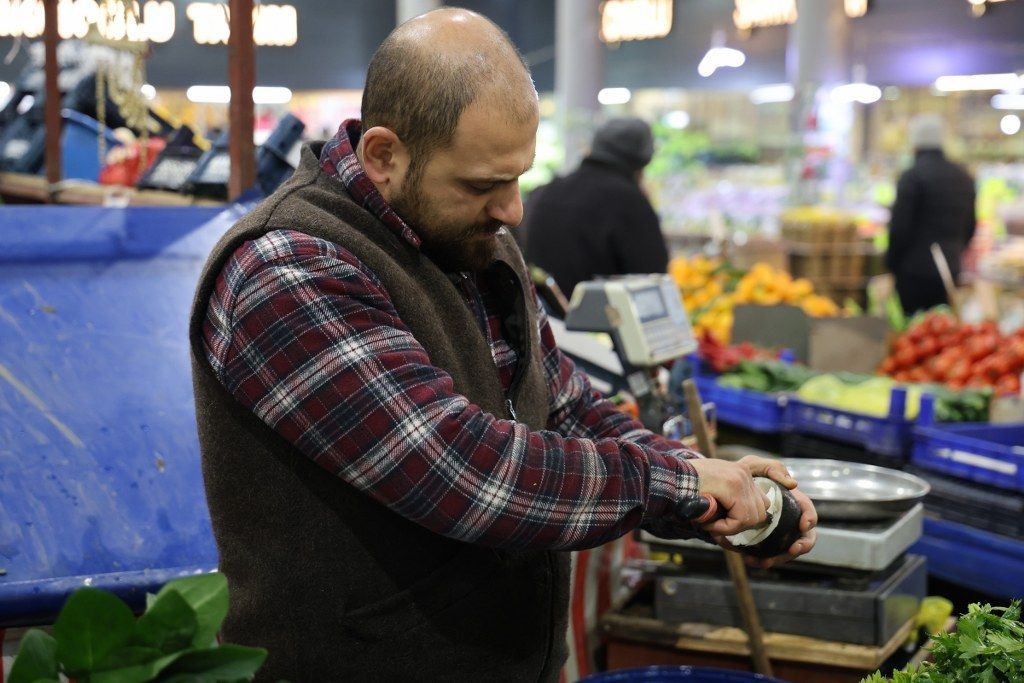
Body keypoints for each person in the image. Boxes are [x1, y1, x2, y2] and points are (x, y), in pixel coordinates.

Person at [188, 9, 816, 681]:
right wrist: (674, 482)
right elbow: (463, 473)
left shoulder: (471, 238)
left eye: (517, 178)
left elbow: (567, 405)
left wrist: (711, 489)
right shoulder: (288, 269)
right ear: (383, 156)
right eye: (483, 185)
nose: (512, 209)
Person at [522, 117, 669, 297]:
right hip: (601, 320)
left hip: (541, 317)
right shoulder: (630, 202)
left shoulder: (547, 191)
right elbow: (652, 279)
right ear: (644, 159)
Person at [886, 113, 977, 315]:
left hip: (913, 274)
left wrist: (891, 265)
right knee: (943, 333)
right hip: (950, 270)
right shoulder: (964, 177)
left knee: (913, 334)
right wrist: (955, 251)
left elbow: (899, 228)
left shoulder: (912, 176)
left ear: (915, 143)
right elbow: (970, 226)